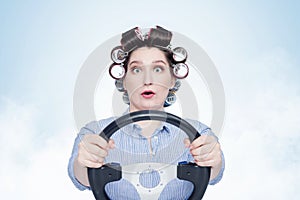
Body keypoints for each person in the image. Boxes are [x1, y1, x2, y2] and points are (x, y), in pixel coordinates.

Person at [68, 26, 225, 199]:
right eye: (136, 70)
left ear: (173, 79)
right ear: (124, 80)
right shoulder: (94, 133)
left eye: (158, 69)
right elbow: (80, 177)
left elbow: (214, 173)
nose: (147, 80)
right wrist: (85, 162)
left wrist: (212, 160)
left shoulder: (199, 134)